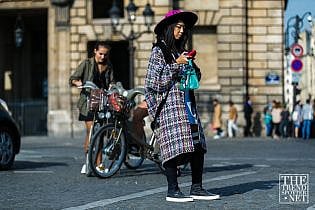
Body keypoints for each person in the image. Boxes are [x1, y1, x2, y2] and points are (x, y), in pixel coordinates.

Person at [145, 9, 220, 202]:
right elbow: (155, 83)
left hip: (187, 105)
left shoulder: (180, 51)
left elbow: (197, 78)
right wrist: (177, 64)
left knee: (198, 146)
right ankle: (173, 190)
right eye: (177, 27)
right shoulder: (158, 51)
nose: (181, 31)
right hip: (170, 108)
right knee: (172, 147)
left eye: (183, 28)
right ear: (169, 28)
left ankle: (197, 187)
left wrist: (191, 65)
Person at [69, 41, 115, 174]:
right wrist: (77, 82)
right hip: (88, 103)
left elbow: (111, 81)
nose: (102, 57)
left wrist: (112, 86)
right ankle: (88, 162)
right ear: (95, 51)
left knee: (100, 134)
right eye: (100, 54)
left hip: (102, 103)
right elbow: (72, 78)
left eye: (105, 55)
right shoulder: (86, 63)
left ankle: (99, 164)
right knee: (91, 132)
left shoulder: (109, 65)